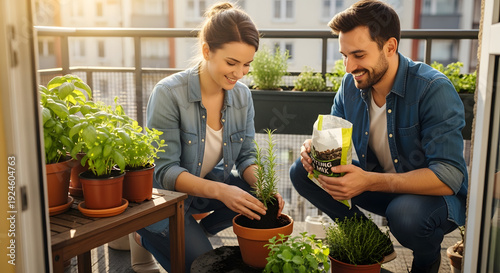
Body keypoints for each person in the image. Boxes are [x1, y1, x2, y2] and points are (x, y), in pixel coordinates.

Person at [289, 1, 468, 273]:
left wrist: (370, 181)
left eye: (358, 55)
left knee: (405, 215)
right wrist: (315, 151)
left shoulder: (433, 89)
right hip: (379, 185)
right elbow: (334, 140)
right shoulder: (351, 85)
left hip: (431, 199)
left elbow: (448, 176)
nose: (349, 67)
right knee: (301, 172)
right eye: (344, 55)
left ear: (390, 47)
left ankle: (427, 260)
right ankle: (375, 243)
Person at [133, 2, 284, 272]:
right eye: (231, 63)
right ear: (207, 51)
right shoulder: (169, 94)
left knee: (258, 196)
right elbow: (163, 171)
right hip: (165, 202)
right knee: (205, 267)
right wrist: (222, 191)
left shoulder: (242, 96)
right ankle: (147, 236)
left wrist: (264, 186)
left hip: (202, 191)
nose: (239, 74)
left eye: (247, 64)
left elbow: (247, 155)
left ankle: (197, 232)